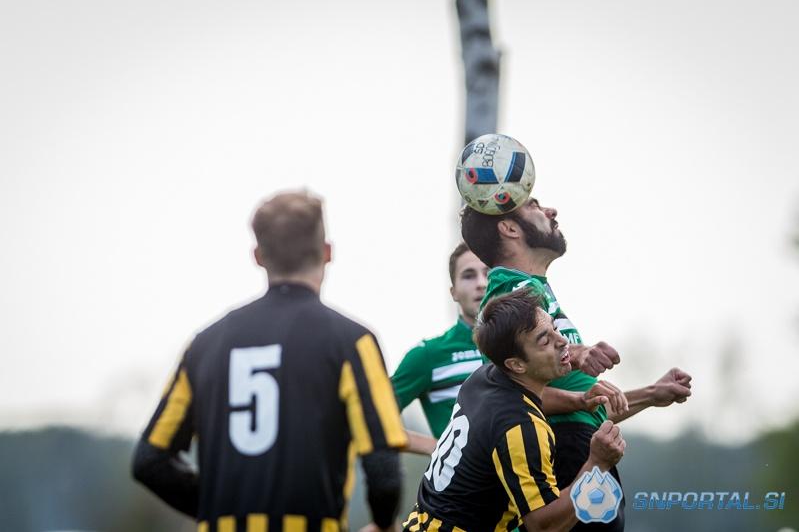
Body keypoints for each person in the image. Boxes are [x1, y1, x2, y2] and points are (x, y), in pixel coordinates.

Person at [132, 191, 408, 532]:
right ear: (327, 252)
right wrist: (384, 522)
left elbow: (149, 461)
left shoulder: (203, 346)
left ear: (258, 256)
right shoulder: (352, 341)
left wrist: (215, 507)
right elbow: (383, 472)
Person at [461, 197, 692, 530]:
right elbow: (515, 400)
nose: (550, 211)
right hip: (568, 456)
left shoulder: (533, 290)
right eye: (534, 206)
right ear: (509, 228)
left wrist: (652, 394)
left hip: (581, 448)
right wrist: (580, 355)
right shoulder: (512, 293)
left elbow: (582, 405)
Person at [403, 290, 626, 531]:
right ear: (516, 364)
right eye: (545, 341)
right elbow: (542, 527)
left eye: (554, 328)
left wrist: (580, 399)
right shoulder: (522, 427)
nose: (562, 341)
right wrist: (597, 463)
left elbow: (529, 396)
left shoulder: (483, 378)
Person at [391, 243, 488, 442]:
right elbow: (372, 415)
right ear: (454, 292)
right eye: (469, 275)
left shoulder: (529, 344)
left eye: (489, 273)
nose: (481, 283)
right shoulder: (428, 354)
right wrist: (436, 448)